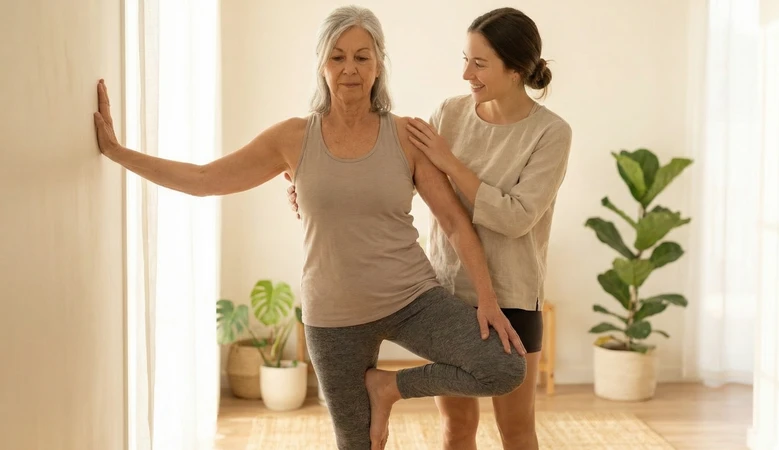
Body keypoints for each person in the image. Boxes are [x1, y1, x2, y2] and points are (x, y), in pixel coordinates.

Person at [92, 6, 528, 450]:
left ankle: (387, 387)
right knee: (358, 444)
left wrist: (487, 299)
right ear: (322, 64)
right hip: (334, 317)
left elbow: (454, 221)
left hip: (411, 299)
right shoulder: (293, 138)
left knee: (504, 366)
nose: (350, 69)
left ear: (379, 64)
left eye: (362, 57)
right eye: (337, 57)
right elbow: (205, 180)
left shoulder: (406, 135)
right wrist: (118, 152)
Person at [285, 7, 572, 450]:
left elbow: (516, 217)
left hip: (512, 293)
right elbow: (394, 182)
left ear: (515, 69)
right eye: (466, 59)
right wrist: (317, 193)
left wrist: (450, 163)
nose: (466, 74)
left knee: (516, 430)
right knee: (456, 427)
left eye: (479, 64)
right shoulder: (449, 114)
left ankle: (390, 387)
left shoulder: (550, 133)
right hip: (449, 290)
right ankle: (388, 389)